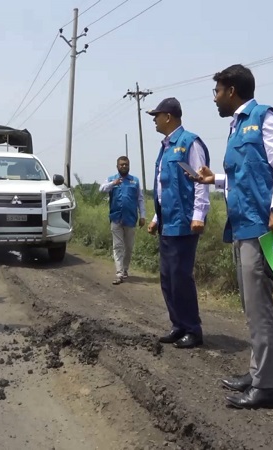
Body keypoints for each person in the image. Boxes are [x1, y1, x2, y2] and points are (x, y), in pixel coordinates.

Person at [194, 64, 273, 409]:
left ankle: (267, 388)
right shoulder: (237, 126)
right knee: (250, 308)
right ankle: (257, 373)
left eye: (217, 91)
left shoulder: (264, 117)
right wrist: (215, 180)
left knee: (259, 307)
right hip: (241, 225)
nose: (215, 98)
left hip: (261, 227)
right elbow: (244, 176)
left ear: (232, 90)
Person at [146, 97, 210, 349]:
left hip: (184, 222)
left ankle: (193, 329)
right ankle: (178, 325)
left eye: (157, 115)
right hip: (167, 222)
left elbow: (200, 182)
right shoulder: (165, 147)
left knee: (181, 277)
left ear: (169, 117)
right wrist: (155, 217)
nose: (154, 119)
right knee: (167, 278)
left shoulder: (189, 143)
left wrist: (199, 215)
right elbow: (166, 189)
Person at [99, 156, 146, 285]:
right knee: (118, 246)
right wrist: (113, 183)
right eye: (121, 165)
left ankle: (125, 269)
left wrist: (143, 216)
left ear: (129, 166)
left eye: (126, 164)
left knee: (129, 247)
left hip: (130, 218)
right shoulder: (111, 179)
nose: (124, 166)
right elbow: (101, 189)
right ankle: (119, 273)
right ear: (117, 166)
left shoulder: (135, 181)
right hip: (116, 218)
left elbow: (140, 199)